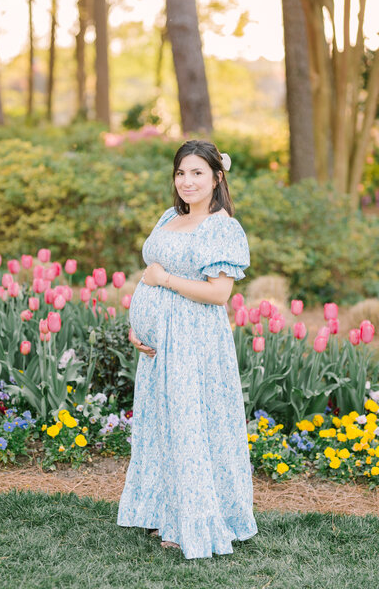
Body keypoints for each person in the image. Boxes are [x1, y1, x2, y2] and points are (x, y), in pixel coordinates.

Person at [116, 139, 258, 559]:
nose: (187, 181)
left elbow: (218, 294)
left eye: (197, 173)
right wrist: (136, 325)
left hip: (194, 344)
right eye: (181, 173)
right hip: (159, 347)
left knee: (191, 425)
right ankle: (165, 508)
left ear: (217, 177)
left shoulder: (221, 227)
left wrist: (165, 282)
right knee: (163, 425)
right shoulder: (168, 218)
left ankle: (194, 520)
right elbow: (149, 274)